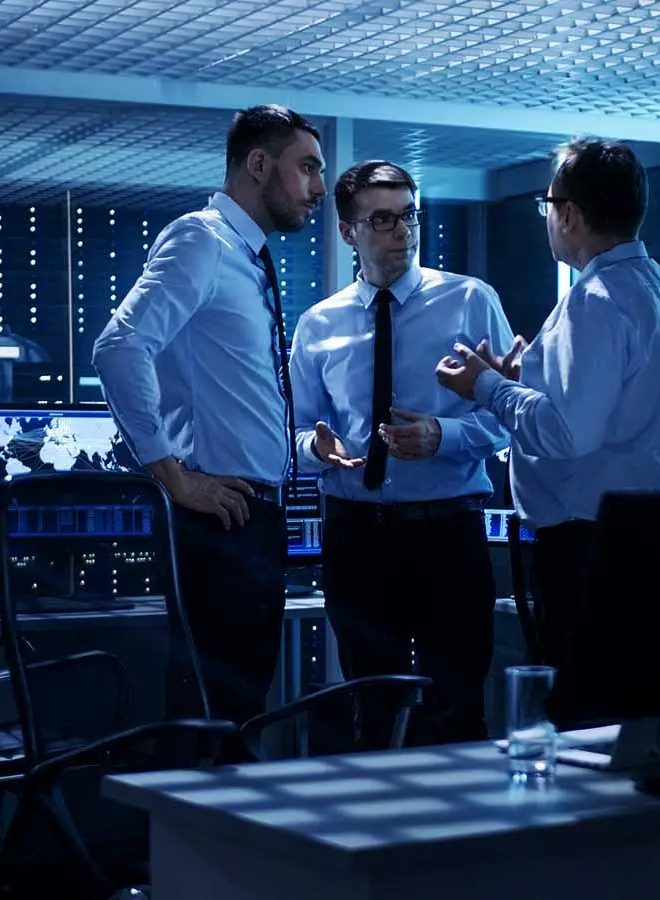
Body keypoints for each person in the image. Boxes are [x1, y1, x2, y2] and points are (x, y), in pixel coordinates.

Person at [92, 105, 326, 728]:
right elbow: (119, 348)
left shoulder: (246, 257)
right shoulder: (202, 239)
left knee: (235, 711)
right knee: (211, 716)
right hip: (219, 519)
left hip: (251, 516)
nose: (320, 188)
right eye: (306, 168)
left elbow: (236, 401)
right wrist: (173, 476)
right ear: (257, 164)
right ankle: (184, 828)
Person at [436, 137, 660, 684]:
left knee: (586, 704)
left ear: (572, 215)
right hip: (643, 532)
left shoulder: (595, 299)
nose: (547, 219)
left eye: (548, 206)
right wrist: (521, 381)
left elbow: (565, 435)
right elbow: (613, 409)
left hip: (586, 543)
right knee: (623, 698)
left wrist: (486, 387)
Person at [290, 160, 514, 746]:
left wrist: (444, 436)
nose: (403, 232)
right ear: (347, 232)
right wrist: (316, 449)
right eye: (383, 219)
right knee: (373, 712)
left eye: (410, 216)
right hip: (356, 536)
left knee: (458, 711)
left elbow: (509, 419)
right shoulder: (318, 326)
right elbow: (292, 435)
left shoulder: (470, 301)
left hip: (449, 535)